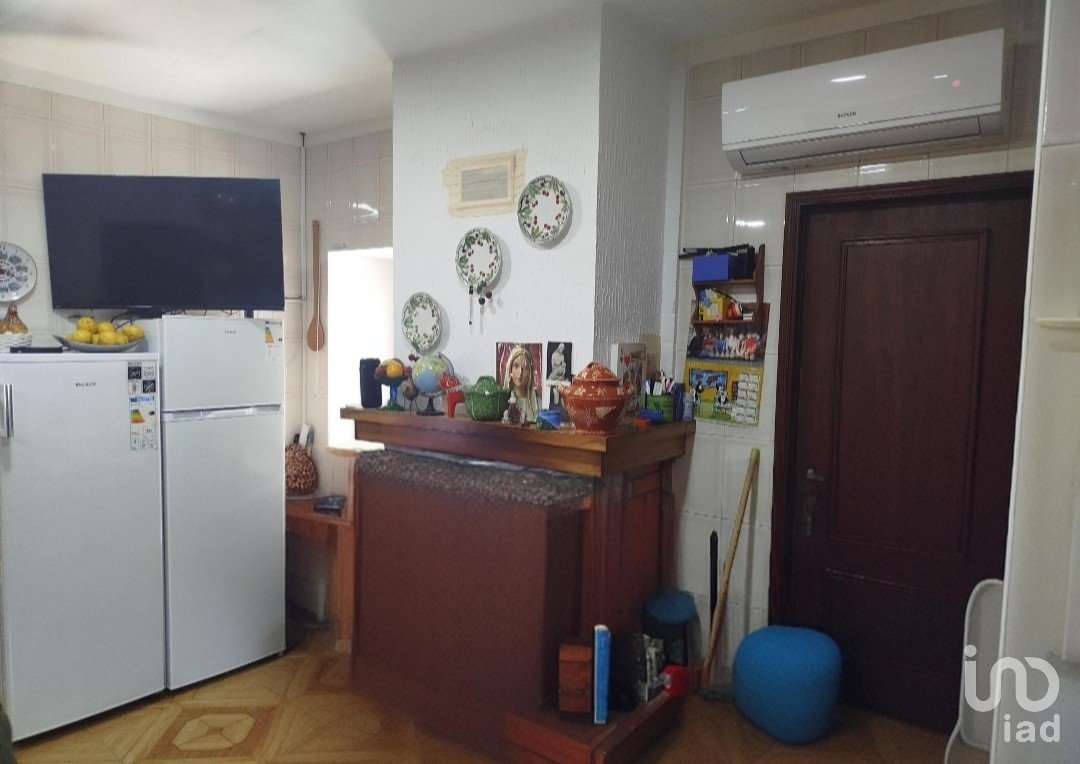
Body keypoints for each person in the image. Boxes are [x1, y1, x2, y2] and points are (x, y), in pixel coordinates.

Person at [504, 344, 539, 423]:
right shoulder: (504, 402)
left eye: (525, 368)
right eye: (516, 366)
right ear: (510, 370)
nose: (520, 372)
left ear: (530, 372)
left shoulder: (539, 403)